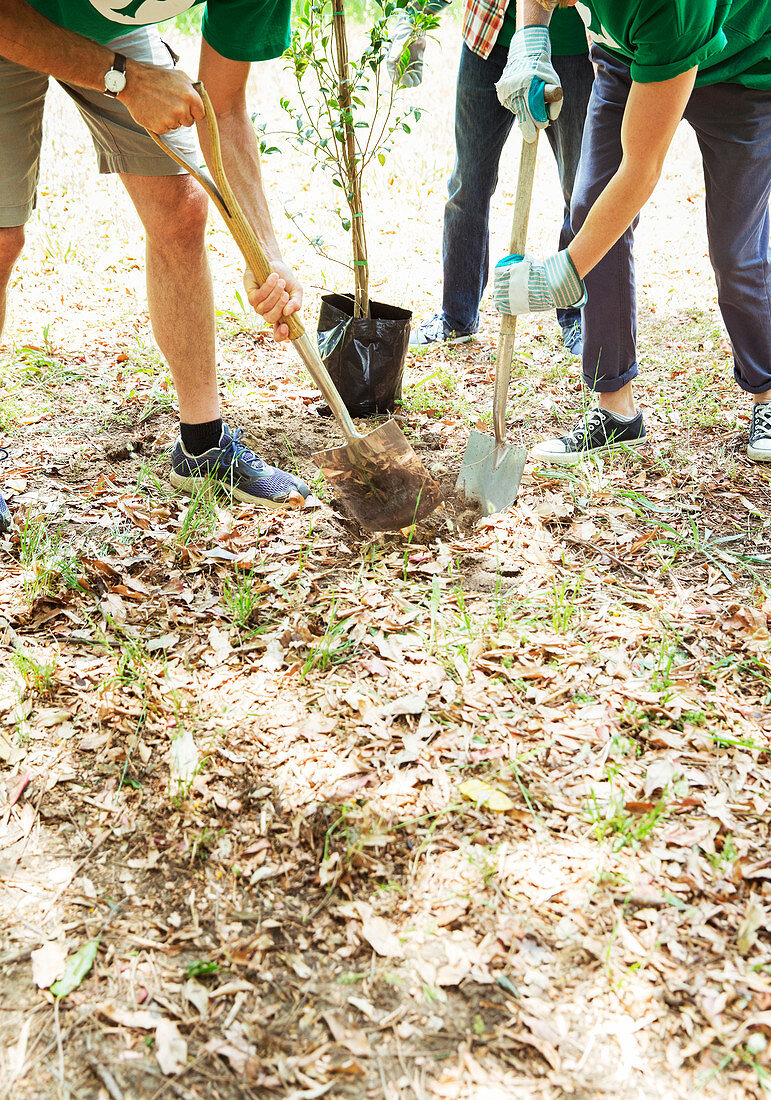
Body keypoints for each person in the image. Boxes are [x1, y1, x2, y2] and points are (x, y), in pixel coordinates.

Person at [0, 0, 311, 535]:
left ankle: (202, 446)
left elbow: (227, 107)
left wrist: (266, 252)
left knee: (180, 206)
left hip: (113, 42)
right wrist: (123, 78)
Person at [493, 0, 771, 465]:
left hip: (742, 69)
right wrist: (530, 40)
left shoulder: (671, 7)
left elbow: (641, 168)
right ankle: (616, 410)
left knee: (735, 250)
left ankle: (768, 393)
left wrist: (561, 273)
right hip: (628, 58)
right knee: (590, 211)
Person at [387, 0, 593, 352]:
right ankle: (456, 316)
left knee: (581, 194)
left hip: (575, 48)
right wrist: (414, 17)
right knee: (468, 183)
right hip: (491, 38)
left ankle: (577, 318)